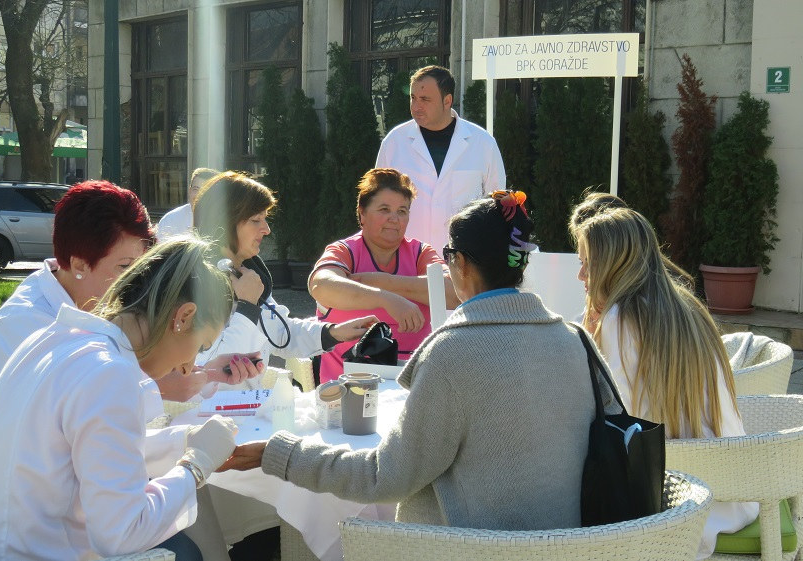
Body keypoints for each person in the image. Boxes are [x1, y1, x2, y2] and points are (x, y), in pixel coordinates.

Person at [220, 191, 621, 531]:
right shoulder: (576, 341)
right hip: (570, 544)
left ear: (460, 264)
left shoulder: (452, 352)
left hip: (463, 548)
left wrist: (282, 454)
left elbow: (384, 477)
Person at [0, 181, 261, 561]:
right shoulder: (109, 371)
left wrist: (184, 441)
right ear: (183, 316)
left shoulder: (58, 333)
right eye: (200, 345)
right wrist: (196, 465)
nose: (189, 364)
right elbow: (122, 533)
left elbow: (89, 451)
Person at [192, 171, 377, 560]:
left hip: (250, 419)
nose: (266, 229)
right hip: (214, 427)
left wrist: (334, 333)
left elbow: (282, 332)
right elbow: (211, 367)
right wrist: (246, 306)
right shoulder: (194, 283)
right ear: (226, 223)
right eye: (256, 220)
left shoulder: (248, 276)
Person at [571, 207, 758, 559]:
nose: (581, 275)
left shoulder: (621, 318)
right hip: (738, 493)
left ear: (614, 263)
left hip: (682, 504)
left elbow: (622, 422)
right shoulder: (686, 306)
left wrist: (591, 345)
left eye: (588, 264)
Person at [310, 168, 459, 382]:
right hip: (348, 388)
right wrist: (386, 299)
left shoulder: (420, 253)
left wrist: (383, 282)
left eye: (402, 211)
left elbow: (454, 292)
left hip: (412, 386)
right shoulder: (345, 251)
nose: (394, 219)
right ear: (362, 213)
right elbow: (321, 286)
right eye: (384, 209)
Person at [375, 65, 506, 252]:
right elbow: (377, 203)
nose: (416, 106)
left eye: (425, 99)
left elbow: (497, 207)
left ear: (447, 101)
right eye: (413, 98)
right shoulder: (394, 143)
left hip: (464, 260)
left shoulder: (483, 143)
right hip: (406, 260)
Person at [158, 167, 220, 239]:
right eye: (196, 189)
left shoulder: (225, 222)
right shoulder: (170, 221)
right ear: (189, 190)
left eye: (206, 191)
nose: (199, 195)